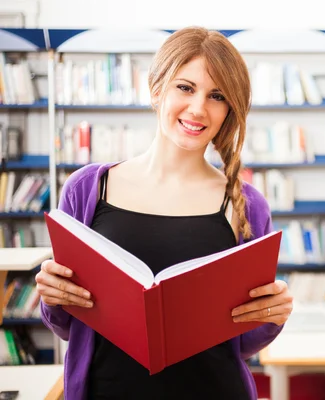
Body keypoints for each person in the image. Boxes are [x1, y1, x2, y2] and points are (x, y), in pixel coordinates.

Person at [35, 27, 293, 400]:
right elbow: (65, 325)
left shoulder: (247, 204)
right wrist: (52, 295)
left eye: (216, 96)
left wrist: (273, 314)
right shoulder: (87, 188)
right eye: (185, 88)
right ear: (157, 89)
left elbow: (244, 343)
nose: (198, 108)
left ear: (229, 110)